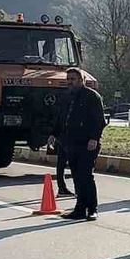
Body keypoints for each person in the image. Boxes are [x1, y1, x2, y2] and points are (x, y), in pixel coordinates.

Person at [49, 67, 105, 220]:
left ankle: (92, 209)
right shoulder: (66, 96)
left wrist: (94, 138)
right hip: (70, 143)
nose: (70, 82)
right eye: (68, 79)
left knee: (86, 175)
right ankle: (80, 209)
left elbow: (99, 120)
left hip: (87, 143)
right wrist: (54, 134)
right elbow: (61, 118)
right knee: (76, 176)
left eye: (73, 79)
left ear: (81, 80)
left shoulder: (92, 96)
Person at [50, 90, 74, 197]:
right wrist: (53, 134)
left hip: (65, 135)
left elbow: (57, 118)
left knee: (62, 163)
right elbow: (59, 118)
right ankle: (63, 188)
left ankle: (62, 187)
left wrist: (53, 134)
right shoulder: (71, 101)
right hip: (66, 136)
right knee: (71, 163)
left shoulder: (64, 99)